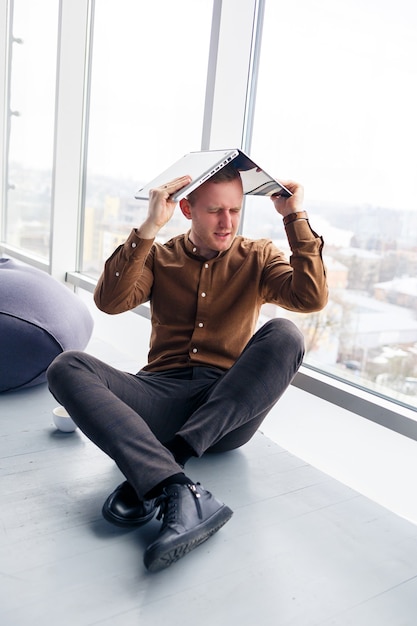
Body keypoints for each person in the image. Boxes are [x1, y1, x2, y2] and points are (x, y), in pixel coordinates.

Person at [47, 164, 328, 572]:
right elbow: (110, 301)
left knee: (285, 332)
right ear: (186, 209)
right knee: (66, 365)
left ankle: (167, 463)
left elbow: (311, 297)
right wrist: (148, 228)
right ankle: (176, 488)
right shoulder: (160, 256)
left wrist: (293, 217)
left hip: (227, 411)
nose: (227, 221)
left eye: (234, 210)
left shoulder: (259, 256)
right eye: (215, 210)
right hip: (157, 398)